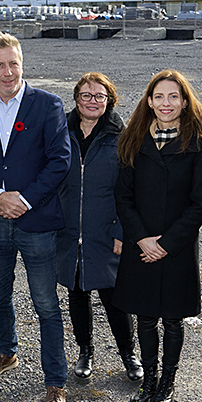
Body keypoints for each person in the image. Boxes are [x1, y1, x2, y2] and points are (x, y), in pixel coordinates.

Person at [0, 32, 73, 402]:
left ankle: (55, 385)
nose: (7, 72)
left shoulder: (47, 105)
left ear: (22, 63)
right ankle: (6, 352)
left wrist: (23, 199)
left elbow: (59, 161)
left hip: (36, 221)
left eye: (13, 63)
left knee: (46, 305)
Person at [114, 70, 202, 402]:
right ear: (149, 101)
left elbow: (200, 202)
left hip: (176, 246)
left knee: (172, 319)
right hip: (140, 245)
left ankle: (168, 382)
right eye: (159, 97)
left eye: (173, 97)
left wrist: (165, 244)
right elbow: (122, 196)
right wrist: (142, 240)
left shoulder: (200, 142)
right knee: (145, 316)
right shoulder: (132, 138)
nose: (166, 103)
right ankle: (148, 380)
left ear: (184, 101)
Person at [56, 72, 141, 383]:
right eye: (86, 95)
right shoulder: (59, 131)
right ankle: (85, 351)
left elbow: (132, 189)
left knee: (114, 297)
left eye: (99, 96)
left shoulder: (123, 136)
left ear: (110, 100)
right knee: (77, 294)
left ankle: (129, 355)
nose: (92, 101)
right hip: (69, 231)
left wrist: (121, 230)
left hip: (106, 232)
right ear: (76, 99)